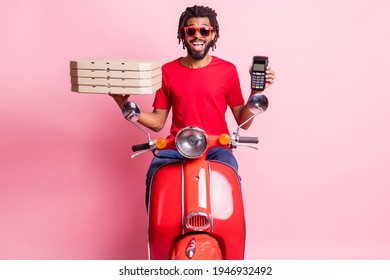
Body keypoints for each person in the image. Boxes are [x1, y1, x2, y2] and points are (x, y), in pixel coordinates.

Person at [111, 5, 275, 206]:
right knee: (155, 174)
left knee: (230, 176)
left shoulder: (227, 70)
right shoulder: (167, 71)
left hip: (217, 146)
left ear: (213, 35)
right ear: (183, 34)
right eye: (191, 30)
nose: (198, 35)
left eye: (205, 30)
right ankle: (153, 234)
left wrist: (256, 92)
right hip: (176, 146)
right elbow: (157, 122)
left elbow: (243, 121)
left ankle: (230, 234)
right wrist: (125, 105)